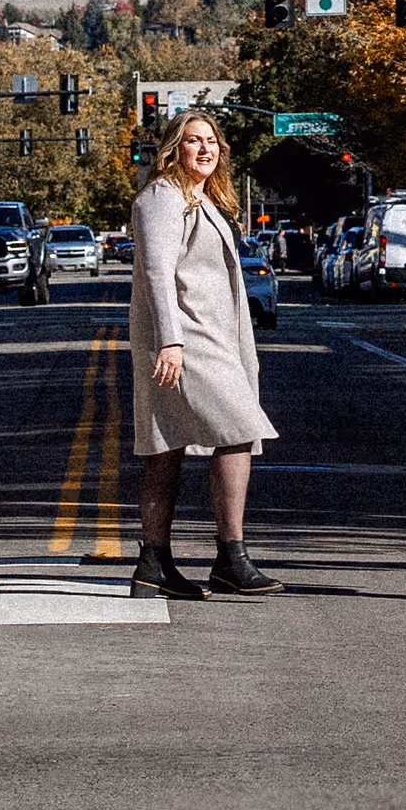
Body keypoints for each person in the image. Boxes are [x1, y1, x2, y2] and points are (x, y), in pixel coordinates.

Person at [128, 110, 281, 600]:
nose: (205, 149)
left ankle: (152, 564)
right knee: (239, 429)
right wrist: (170, 339)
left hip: (217, 341)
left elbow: (229, 287)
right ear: (175, 148)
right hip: (185, 340)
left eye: (212, 141)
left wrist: (246, 351)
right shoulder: (162, 197)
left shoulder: (207, 201)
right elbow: (156, 272)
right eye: (194, 141)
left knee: (166, 444)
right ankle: (230, 556)